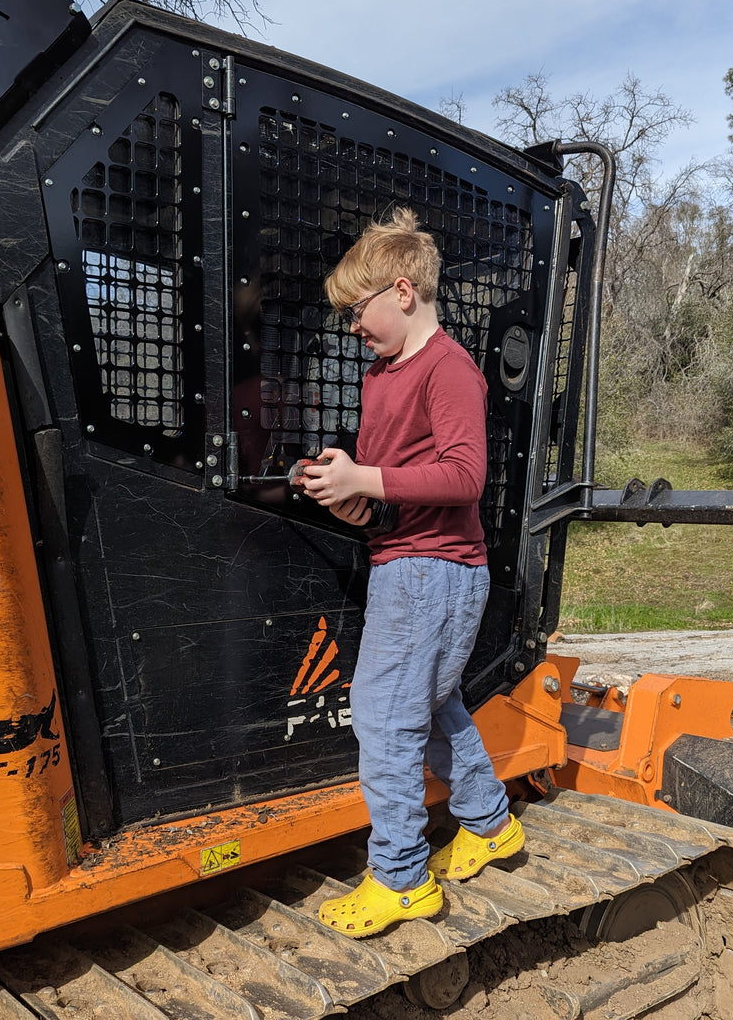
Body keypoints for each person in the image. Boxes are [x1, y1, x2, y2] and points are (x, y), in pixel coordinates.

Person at [297, 207, 523, 938]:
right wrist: (350, 497)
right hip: (405, 559)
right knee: (427, 708)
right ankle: (489, 825)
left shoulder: (447, 367)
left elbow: (462, 478)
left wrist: (365, 478)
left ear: (402, 291)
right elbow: (396, 483)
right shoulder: (380, 374)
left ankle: (399, 878)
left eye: (356, 312)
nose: (352, 327)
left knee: (382, 719)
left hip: (433, 572)